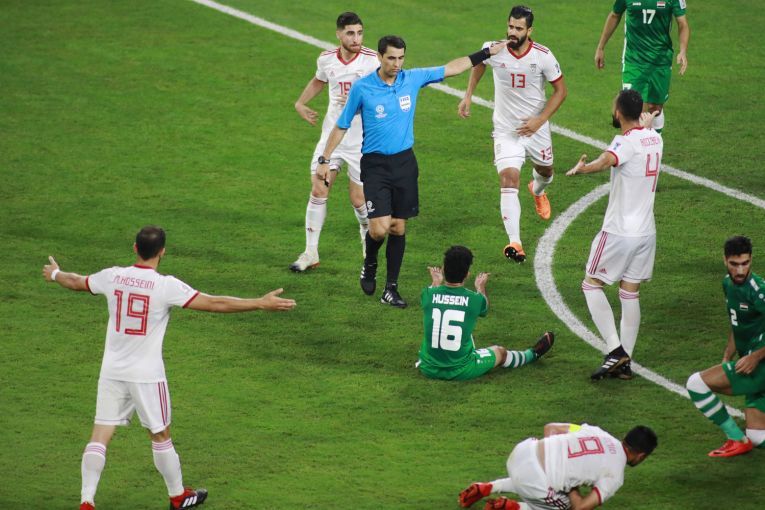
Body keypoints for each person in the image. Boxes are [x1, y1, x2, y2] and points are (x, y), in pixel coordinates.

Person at [42, 226, 296, 510]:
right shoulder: (165, 286)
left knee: (100, 434)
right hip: (147, 375)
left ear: (135, 248)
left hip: (112, 371)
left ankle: (86, 500)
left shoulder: (113, 276)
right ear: (162, 251)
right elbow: (215, 303)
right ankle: (178, 496)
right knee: (160, 435)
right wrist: (259, 303)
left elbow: (76, 281)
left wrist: (55, 274)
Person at [316, 35, 507, 308]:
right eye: (391, 58)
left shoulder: (412, 79)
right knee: (379, 229)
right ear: (380, 57)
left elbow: (451, 68)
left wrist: (485, 53)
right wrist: (325, 159)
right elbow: (341, 125)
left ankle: (390, 289)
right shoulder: (363, 88)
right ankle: (370, 263)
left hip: (404, 164)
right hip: (375, 165)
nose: (397, 64)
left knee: (398, 227)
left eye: (401, 58)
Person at [458, 5, 567, 263]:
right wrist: (468, 95)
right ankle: (515, 242)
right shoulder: (494, 49)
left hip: (536, 129)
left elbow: (561, 91)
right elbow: (479, 64)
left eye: (519, 28)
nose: (513, 32)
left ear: (530, 30)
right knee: (508, 179)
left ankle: (537, 191)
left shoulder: (543, 56)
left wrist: (540, 120)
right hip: (506, 130)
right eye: (510, 26)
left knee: (546, 172)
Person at [566, 89, 663, 381]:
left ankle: (614, 349)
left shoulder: (624, 141)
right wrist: (646, 125)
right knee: (629, 292)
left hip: (620, 231)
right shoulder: (655, 138)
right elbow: (644, 135)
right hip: (646, 232)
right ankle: (625, 363)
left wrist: (585, 168)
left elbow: (607, 159)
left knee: (591, 284)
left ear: (619, 112)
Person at [289, 12, 379, 272]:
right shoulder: (326, 59)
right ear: (339, 34)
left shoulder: (373, 60)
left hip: (361, 142)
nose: (356, 38)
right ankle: (310, 252)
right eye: (350, 33)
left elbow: (387, 90)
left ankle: (366, 239)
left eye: (360, 33)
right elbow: (319, 79)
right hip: (332, 138)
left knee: (358, 199)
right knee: (318, 189)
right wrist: (300, 103)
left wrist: (363, 102)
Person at [416, 245, 553, 380]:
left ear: (443, 269)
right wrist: (480, 287)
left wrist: (436, 282)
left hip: (428, 367)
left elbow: (430, 297)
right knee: (499, 352)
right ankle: (531, 355)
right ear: (467, 274)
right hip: (461, 369)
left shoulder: (428, 293)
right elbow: (484, 308)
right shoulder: (475, 299)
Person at [685, 235, 765, 458]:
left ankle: (736, 438)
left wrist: (756, 357)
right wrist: (727, 356)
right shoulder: (727, 284)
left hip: (760, 364)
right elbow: (737, 323)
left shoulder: (758, 291)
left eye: (745, 263)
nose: (740, 270)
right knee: (758, 436)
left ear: (751, 260)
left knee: (696, 383)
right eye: (734, 264)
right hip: (750, 360)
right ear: (724, 260)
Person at [458, 422, 657, 510]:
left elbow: (550, 428)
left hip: (522, 451)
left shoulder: (597, 431)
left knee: (544, 476)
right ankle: (512, 507)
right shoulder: (615, 475)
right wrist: (572, 487)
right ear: (641, 455)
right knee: (566, 504)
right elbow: (581, 507)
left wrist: (557, 456)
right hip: (534, 482)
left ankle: (489, 487)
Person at [594, 0, 690, 134]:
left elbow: (682, 23)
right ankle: (631, 145)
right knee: (630, 109)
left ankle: (656, 142)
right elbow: (615, 15)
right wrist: (600, 47)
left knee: (655, 108)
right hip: (634, 61)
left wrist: (683, 50)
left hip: (660, 60)